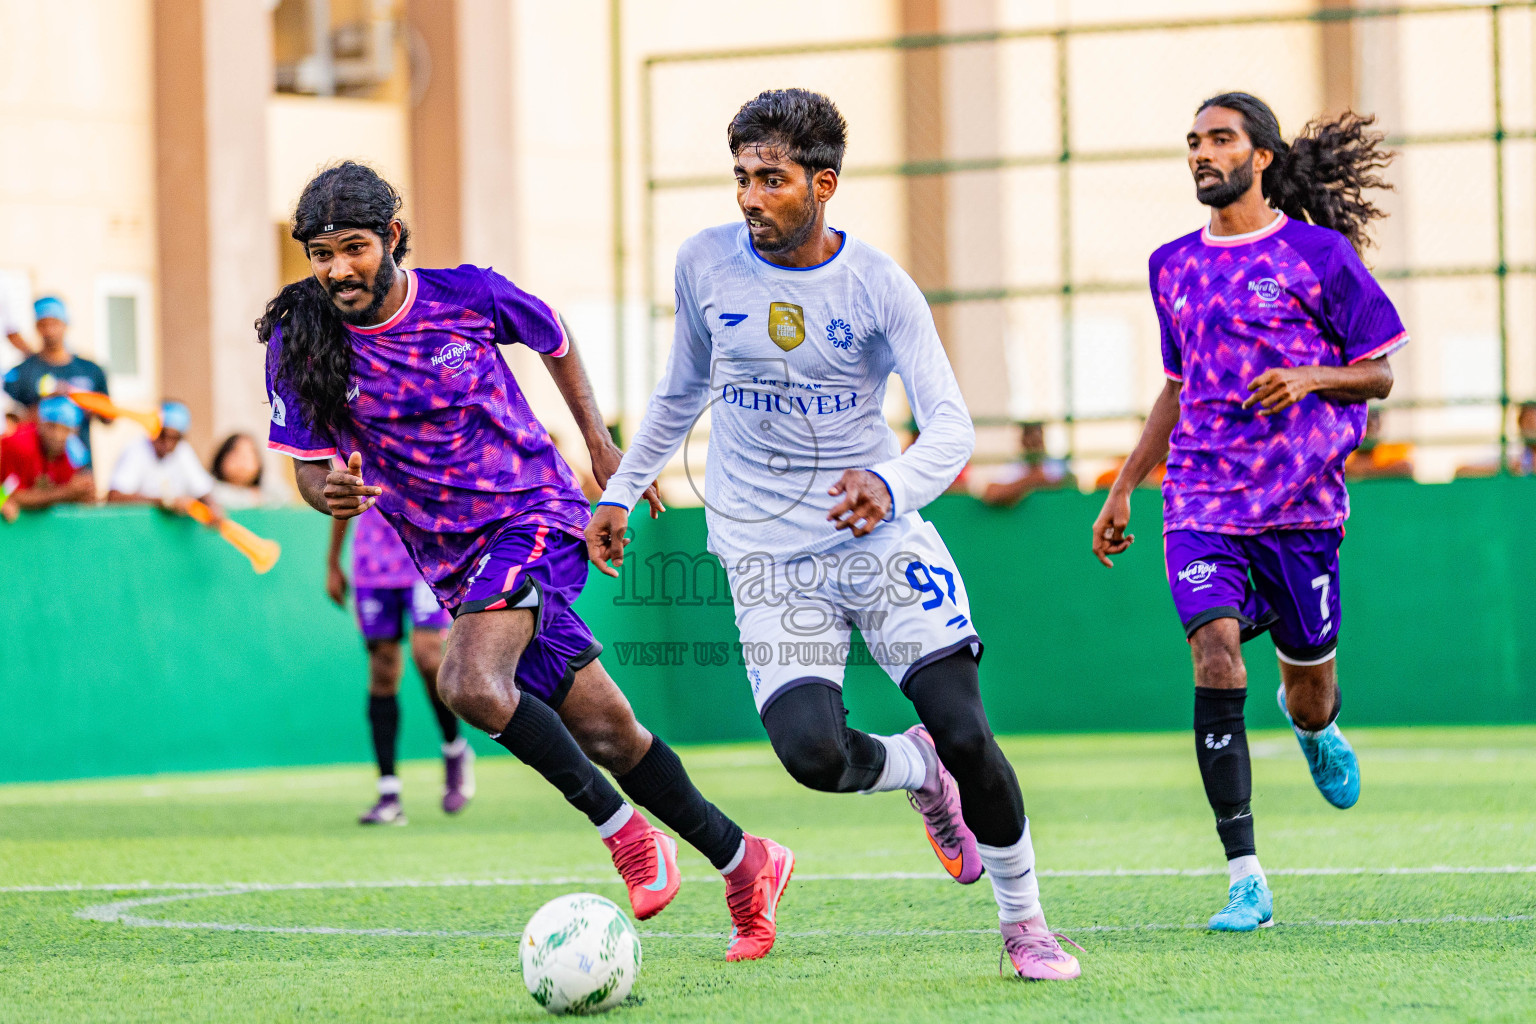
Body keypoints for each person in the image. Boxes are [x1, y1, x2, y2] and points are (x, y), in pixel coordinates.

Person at [586, 89, 1082, 982]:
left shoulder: (879, 286)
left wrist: (887, 488)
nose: (748, 197)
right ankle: (915, 771)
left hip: (878, 541)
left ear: (823, 184)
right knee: (814, 757)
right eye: (740, 177)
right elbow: (679, 391)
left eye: (769, 179)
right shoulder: (704, 264)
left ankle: (1026, 924)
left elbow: (952, 431)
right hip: (765, 557)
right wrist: (622, 486)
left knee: (968, 732)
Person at [259, 161, 785, 959]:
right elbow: (303, 464)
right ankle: (747, 861)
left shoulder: (466, 296)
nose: (337, 270)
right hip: (452, 565)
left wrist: (601, 444)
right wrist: (321, 488)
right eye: (320, 254)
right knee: (612, 734)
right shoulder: (303, 343)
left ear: (393, 238)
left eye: (354, 248)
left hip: (534, 512)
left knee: (468, 680)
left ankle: (626, 836)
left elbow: (557, 337)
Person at [1091, 93, 1407, 932]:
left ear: (1261, 156)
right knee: (1216, 658)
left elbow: (1378, 374)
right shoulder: (1171, 264)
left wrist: (1309, 377)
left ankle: (1312, 729)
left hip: (1302, 508)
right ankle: (1246, 877)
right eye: (1192, 140)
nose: (1201, 152)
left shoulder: (1319, 255)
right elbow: (1177, 385)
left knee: (1309, 696)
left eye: (1219, 139)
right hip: (1201, 497)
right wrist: (1126, 484)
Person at [327, 506, 471, 824]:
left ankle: (454, 748)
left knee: (428, 656)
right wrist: (332, 563)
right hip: (371, 566)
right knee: (382, 669)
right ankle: (389, 794)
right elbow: (341, 501)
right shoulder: (354, 454)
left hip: (425, 561)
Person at [2, 297, 108, 460]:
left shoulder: (91, 370)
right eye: (44, 324)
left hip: (79, 465)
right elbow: (10, 424)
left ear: (66, 324)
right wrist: (45, 404)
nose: (50, 331)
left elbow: (110, 418)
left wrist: (89, 405)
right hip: (36, 468)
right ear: (37, 327)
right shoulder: (22, 372)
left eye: (55, 323)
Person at [106, 401, 223, 519]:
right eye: (163, 435)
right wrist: (164, 502)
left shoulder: (183, 450)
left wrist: (212, 506)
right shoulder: (136, 449)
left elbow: (203, 489)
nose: (167, 444)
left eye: (174, 438)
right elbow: (114, 497)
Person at [0, 395, 95, 522]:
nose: (57, 435)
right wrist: (67, 493)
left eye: (65, 429)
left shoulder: (73, 454)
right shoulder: (21, 445)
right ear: (40, 423)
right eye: (51, 426)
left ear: (74, 431)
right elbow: (8, 494)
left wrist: (83, 493)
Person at [980, 421, 1075, 507]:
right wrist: (1031, 480)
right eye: (1029, 436)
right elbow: (991, 493)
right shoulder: (1013, 466)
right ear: (1022, 440)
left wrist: (1049, 483)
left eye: (1038, 436)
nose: (1034, 443)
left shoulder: (1056, 464)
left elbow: (1074, 486)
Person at [209, 432, 291, 508]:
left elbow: (285, 497)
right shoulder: (209, 489)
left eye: (248, 455)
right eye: (236, 454)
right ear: (221, 458)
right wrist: (252, 498)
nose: (242, 461)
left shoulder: (269, 489)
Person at [1344, 407, 1413, 480]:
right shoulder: (1346, 448)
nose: (1371, 426)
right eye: (1367, 422)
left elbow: (1407, 466)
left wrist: (1370, 469)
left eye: (1374, 420)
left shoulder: (1388, 449)